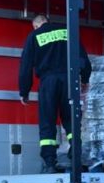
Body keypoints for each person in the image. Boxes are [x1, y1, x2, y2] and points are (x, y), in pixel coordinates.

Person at [18, 14, 92, 173]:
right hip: (69, 80)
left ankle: (50, 163)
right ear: (47, 21)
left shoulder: (34, 36)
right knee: (71, 119)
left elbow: (25, 66)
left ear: (36, 25)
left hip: (48, 82)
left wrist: (24, 91)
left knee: (47, 121)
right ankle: (76, 157)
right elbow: (83, 57)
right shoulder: (67, 32)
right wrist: (85, 78)